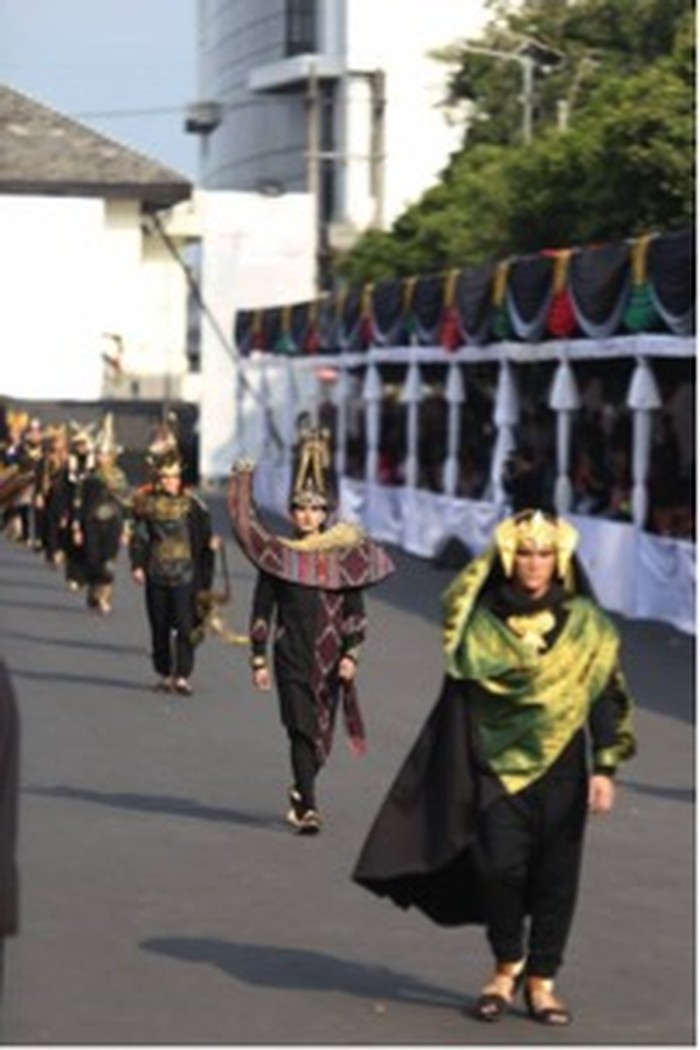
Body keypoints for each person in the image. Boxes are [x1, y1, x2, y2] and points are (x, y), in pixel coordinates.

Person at [352, 508, 636, 1026]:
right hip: (494, 766)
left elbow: (604, 696)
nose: (534, 563)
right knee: (497, 868)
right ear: (508, 557)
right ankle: (507, 963)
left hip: (563, 766)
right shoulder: (480, 623)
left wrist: (606, 767)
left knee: (556, 876)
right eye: (524, 553)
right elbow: (458, 699)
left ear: (559, 559)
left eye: (544, 554)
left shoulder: (586, 625)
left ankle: (542, 981)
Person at [228, 427, 394, 835]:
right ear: (291, 512)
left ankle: (301, 788)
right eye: (300, 508)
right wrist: (257, 658)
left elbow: (355, 611)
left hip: (331, 659)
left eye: (315, 508)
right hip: (290, 657)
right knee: (300, 729)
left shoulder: (342, 556)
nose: (307, 515)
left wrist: (352, 654)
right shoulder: (279, 557)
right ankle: (310, 808)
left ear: (325, 513)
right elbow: (262, 608)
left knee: (321, 739)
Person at [129, 442, 217, 696]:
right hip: (157, 573)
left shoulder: (194, 506)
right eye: (165, 477)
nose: (170, 482)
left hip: (186, 575)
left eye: (174, 477)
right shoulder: (147, 506)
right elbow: (141, 537)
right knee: (159, 626)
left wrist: (210, 545)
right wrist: (137, 564)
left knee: (186, 625)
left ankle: (182, 675)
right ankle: (165, 672)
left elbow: (204, 537)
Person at [78, 414, 130, 614]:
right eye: (99, 453)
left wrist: (127, 528)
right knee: (93, 559)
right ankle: (94, 588)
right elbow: (80, 502)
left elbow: (126, 504)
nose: (102, 457)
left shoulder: (119, 477)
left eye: (106, 454)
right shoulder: (89, 476)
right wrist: (77, 525)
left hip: (113, 522)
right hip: (91, 521)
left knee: (108, 560)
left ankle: (105, 594)